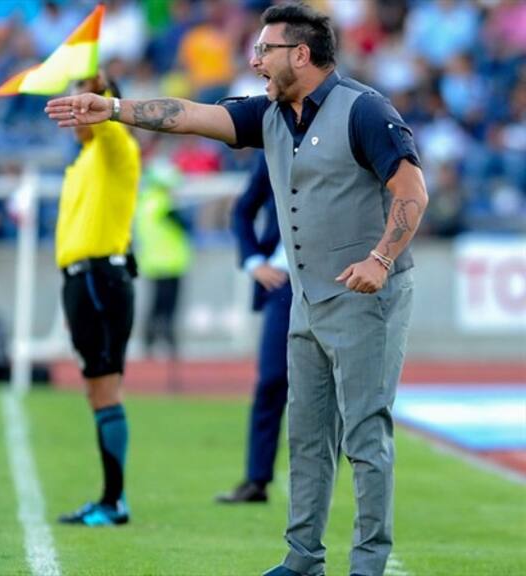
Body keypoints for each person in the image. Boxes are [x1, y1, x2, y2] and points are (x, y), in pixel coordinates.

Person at [45, 3, 428, 574]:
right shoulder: (270, 113)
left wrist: (381, 258)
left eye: (264, 51)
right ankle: (302, 559)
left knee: (365, 438)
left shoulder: (364, 110)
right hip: (306, 299)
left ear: (300, 54)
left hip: (367, 297)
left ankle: (368, 564)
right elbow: (188, 115)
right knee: (305, 438)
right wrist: (116, 109)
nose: (254, 61)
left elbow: (413, 190)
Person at [53, 72, 141, 527]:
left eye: (82, 103)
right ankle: (111, 499)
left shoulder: (116, 148)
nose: (75, 112)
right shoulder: (86, 159)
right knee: (96, 388)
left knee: (105, 386)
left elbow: (109, 124)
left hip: (100, 278)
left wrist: (102, 91)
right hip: (82, 282)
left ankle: (114, 501)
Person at [216, 153, 291, 505]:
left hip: (333, 279)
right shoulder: (273, 150)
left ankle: (325, 481)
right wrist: (253, 261)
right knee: (272, 380)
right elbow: (243, 210)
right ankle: (257, 479)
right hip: (283, 283)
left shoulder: (346, 135)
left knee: (334, 386)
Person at [135, 160, 191, 363]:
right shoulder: (163, 203)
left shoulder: (144, 201)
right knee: (168, 308)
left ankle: (148, 345)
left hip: (153, 263)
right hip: (171, 263)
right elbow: (185, 225)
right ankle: (169, 346)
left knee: (154, 307)